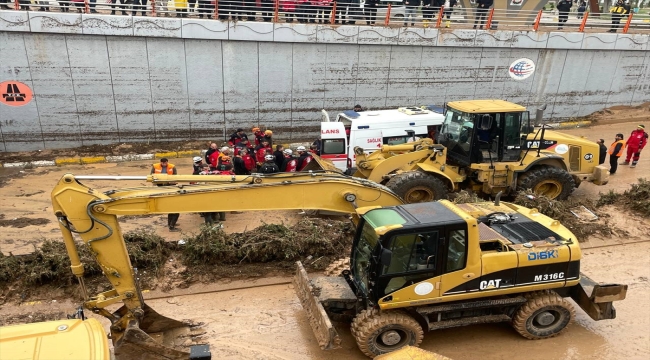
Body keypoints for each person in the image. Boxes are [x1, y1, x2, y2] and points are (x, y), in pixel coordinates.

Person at [151, 158, 180, 231]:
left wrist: (173, 182)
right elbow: (152, 175)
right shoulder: (155, 166)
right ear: (160, 162)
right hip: (160, 185)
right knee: (175, 210)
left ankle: (170, 224)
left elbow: (175, 176)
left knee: (171, 209)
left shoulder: (172, 167)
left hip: (170, 185)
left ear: (167, 162)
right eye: (163, 163)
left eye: (165, 163)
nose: (164, 164)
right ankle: (171, 226)